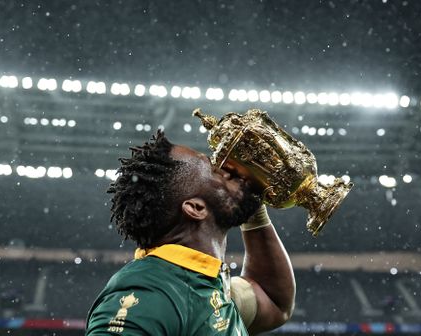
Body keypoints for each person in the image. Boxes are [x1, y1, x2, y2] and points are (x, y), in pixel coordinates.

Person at [86, 130, 295, 335]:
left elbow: (275, 302)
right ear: (196, 208)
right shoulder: (149, 291)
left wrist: (253, 207)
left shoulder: (205, 285)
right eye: (214, 170)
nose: (229, 170)